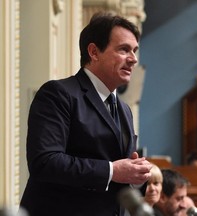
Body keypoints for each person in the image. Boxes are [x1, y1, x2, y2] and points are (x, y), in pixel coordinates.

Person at [19, 13, 153, 216]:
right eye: (124, 49)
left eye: (134, 50)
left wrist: (137, 177)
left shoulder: (124, 109)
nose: (133, 59)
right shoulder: (59, 93)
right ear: (94, 52)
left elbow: (121, 174)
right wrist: (112, 171)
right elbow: (45, 161)